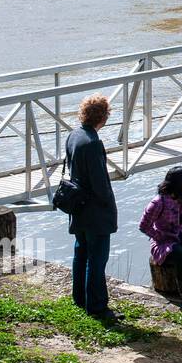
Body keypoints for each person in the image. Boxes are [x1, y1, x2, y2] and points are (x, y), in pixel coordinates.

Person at [65, 94, 118, 320]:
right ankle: (97, 306)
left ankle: (80, 298)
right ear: (103, 117)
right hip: (95, 210)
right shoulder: (94, 143)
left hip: (78, 207)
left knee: (81, 252)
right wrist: (108, 203)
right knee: (97, 259)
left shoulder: (74, 135)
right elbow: (100, 184)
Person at [139, 167, 182, 307]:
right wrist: (159, 236)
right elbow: (144, 225)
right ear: (179, 184)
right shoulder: (158, 202)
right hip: (164, 242)